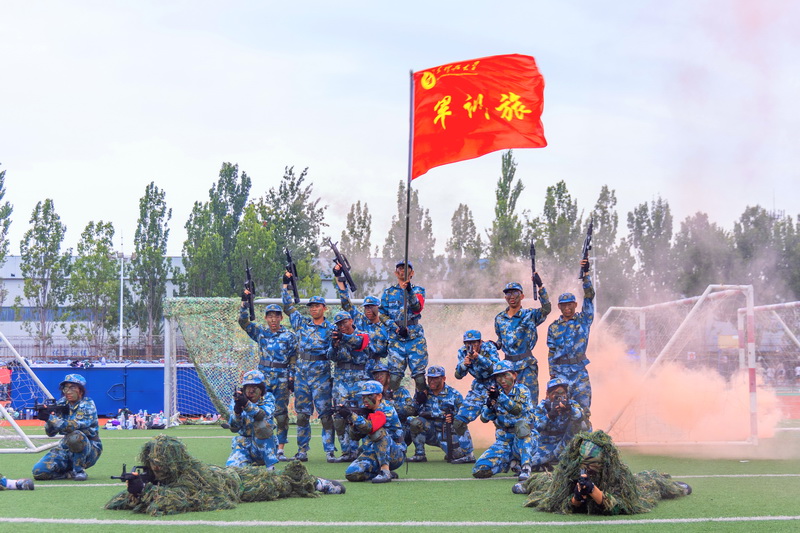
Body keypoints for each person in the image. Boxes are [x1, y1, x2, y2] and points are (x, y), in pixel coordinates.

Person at [105, 435, 344, 516]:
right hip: (226, 474)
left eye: (160, 463)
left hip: (235, 483)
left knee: (278, 483)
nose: (156, 468)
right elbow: (121, 501)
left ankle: (318, 483)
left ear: (173, 461)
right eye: (153, 463)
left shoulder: (189, 475)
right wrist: (136, 490)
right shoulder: (162, 476)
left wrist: (144, 491)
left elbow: (180, 500)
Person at [514, 430, 692, 515]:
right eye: (585, 465)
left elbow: (621, 507)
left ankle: (675, 487)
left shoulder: (616, 474)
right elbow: (557, 503)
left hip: (608, 489)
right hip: (570, 487)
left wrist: (594, 491)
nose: (588, 469)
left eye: (593, 465)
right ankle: (526, 484)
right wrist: (576, 498)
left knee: (649, 482)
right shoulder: (571, 469)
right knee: (545, 482)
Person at [282, 274, 335, 462]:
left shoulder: (331, 329)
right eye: (311, 306)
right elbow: (288, 307)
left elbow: (334, 351)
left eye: (317, 306)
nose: (313, 309)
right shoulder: (301, 323)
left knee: (326, 416)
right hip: (302, 377)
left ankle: (330, 451)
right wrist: (285, 285)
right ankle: (302, 450)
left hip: (321, 377)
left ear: (324, 308)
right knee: (302, 416)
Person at [238, 297, 297, 462]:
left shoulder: (289, 336)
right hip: (262, 379)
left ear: (281, 318)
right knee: (259, 412)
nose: (273, 319)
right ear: (265, 318)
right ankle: (260, 447)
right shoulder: (260, 332)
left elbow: (293, 357)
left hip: (281, 377)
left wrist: (292, 377)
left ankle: (280, 450)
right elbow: (243, 322)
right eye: (270, 316)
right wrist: (244, 305)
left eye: (276, 316)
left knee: (281, 414)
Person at [546, 258, 594, 423]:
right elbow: (551, 352)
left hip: (579, 371)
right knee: (560, 409)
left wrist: (586, 275)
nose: (567, 307)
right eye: (563, 305)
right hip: (561, 373)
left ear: (575, 304)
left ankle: (584, 437)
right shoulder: (553, 327)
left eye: (570, 304)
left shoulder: (583, 320)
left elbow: (589, 296)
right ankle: (564, 439)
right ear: (559, 307)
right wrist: (552, 374)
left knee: (583, 410)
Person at [472, 361, 535, 481]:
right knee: (479, 470)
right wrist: (490, 405)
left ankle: (526, 467)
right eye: (498, 377)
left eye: (505, 375)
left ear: (514, 375)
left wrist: (499, 397)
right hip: (504, 440)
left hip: (523, 438)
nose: (502, 380)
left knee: (522, 430)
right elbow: (484, 418)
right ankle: (510, 463)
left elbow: (517, 410)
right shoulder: (494, 393)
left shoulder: (522, 390)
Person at [32, 374, 102, 481]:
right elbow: (50, 433)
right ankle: (68, 474)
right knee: (39, 472)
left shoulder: (87, 404)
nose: (68, 391)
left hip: (89, 448)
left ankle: (79, 470)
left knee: (75, 436)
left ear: (81, 390)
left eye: (72, 388)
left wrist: (50, 418)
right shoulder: (62, 403)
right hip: (66, 447)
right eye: (65, 388)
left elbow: (73, 426)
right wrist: (47, 419)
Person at [494, 277, 551, 405]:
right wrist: (494, 345)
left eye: (515, 293)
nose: (512, 296)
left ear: (522, 296)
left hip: (526, 366)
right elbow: (500, 340)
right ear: (505, 297)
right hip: (508, 369)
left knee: (530, 402)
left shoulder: (530, 315)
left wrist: (540, 286)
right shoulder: (499, 319)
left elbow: (546, 309)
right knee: (508, 402)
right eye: (508, 293)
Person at [340, 380, 406, 484]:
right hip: (373, 452)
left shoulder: (387, 409)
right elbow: (355, 437)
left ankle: (385, 471)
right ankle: (379, 472)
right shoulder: (366, 410)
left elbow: (371, 427)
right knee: (352, 474)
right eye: (363, 396)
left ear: (379, 396)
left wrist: (352, 415)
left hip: (395, 454)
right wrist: (352, 423)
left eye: (369, 396)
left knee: (378, 432)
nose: (365, 399)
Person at [407, 365, 475, 464]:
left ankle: (462, 453)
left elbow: (463, 416)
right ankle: (419, 454)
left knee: (456, 455)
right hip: (430, 432)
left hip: (447, 433)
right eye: (430, 378)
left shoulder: (454, 394)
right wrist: (418, 400)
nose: (431, 381)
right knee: (414, 422)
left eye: (435, 378)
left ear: (443, 378)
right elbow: (412, 411)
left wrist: (453, 417)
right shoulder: (424, 392)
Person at [379, 260, 428, 394]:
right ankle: (393, 402)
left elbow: (417, 308)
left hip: (414, 338)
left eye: (407, 268)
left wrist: (409, 291)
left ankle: (422, 400)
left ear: (412, 273)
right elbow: (382, 314)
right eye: (400, 268)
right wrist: (395, 327)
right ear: (396, 273)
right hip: (396, 338)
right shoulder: (389, 292)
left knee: (419, 377)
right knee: (394, 377)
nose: (403, 270)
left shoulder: (418, 290)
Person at [329, 310, 371, 463]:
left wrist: (343, 338)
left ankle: (363, 451)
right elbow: (330, 357)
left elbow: (359, 343)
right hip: (341, 381)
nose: (342, 326)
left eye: (344, 322)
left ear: (351, 321)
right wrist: (334, 345)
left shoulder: (363, 335)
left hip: (359, 381)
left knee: (361, 415)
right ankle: (346, 452)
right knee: (340, 416)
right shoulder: (337, 338)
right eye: (339, 324)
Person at [333, 263, 389, 374]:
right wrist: (338, 277)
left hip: (375, 367)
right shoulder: (360, 320)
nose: (368, 310)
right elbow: (346, 303)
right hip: (358, 366)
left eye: (371, 307)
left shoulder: (386, 326)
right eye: (366, 307)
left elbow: (387, 350)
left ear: (378, 307)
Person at [530, 377, 586, 471]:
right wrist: (549, 416)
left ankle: (564, 459)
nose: (560, 397)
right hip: (547, 444)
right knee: (530, 463)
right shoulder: (542, 406)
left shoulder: (571, 404)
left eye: (562, 393)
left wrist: (569, 409)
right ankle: (546, 464)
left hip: (566, 443)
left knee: (581, 424)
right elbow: (535, 427)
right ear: (548, 394)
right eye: (556, 393)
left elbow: (581, 416)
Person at [225, 370, 278, 468]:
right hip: (244, 444)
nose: (251, 391)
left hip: (263, 445)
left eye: (255, 387)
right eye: (248, 387)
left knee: (262, 425)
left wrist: (246, 404)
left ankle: (271, 467)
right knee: (232, 468)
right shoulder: (238, 399)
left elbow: (261, 415)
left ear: (261, 389)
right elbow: (234, 428)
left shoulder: (268, 398)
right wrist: (237, 412)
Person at [454, 329, 501, 431]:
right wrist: (464, 365)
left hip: (494, 386)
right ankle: (464, 442)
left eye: (474, 342)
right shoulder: (462, 352)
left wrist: (479, 358)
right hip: (478, 387)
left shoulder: (489, 347)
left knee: (500, 420)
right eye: (467, 343)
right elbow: (458, 375)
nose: (470, 345)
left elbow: (496, 369)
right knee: (458, 423)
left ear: (480, 342)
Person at [371, 361, 414, 445]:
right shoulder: (373, 394)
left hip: (399, 428)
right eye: (376, 375)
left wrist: (392, 404)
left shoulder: (400, 391)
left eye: (381, 374)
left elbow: (410, 410)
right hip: (380, 427)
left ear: (388, 376)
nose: (378, 377)